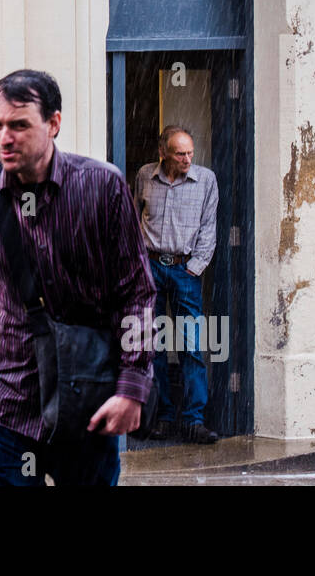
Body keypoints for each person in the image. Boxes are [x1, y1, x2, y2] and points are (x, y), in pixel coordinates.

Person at [0, 69, 156, 486]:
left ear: (53, 124)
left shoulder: (102, 188)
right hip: (5, 404)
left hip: (88, 404)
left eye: (19, 125)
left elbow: (136, 293)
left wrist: (132, 383)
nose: (4, 138)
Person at [133, 125, 220, 443]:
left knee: (192, 347)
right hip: (151, 267)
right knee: (152, 346)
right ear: (163, 154)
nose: (187, 159)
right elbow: (133, 218)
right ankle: (163, 416)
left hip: (186, 271)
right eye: (181, 154)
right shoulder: (145, 175)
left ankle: (193, 420)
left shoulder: (206, 180)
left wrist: (195, 268)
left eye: (190, 153)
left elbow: (209, 228)